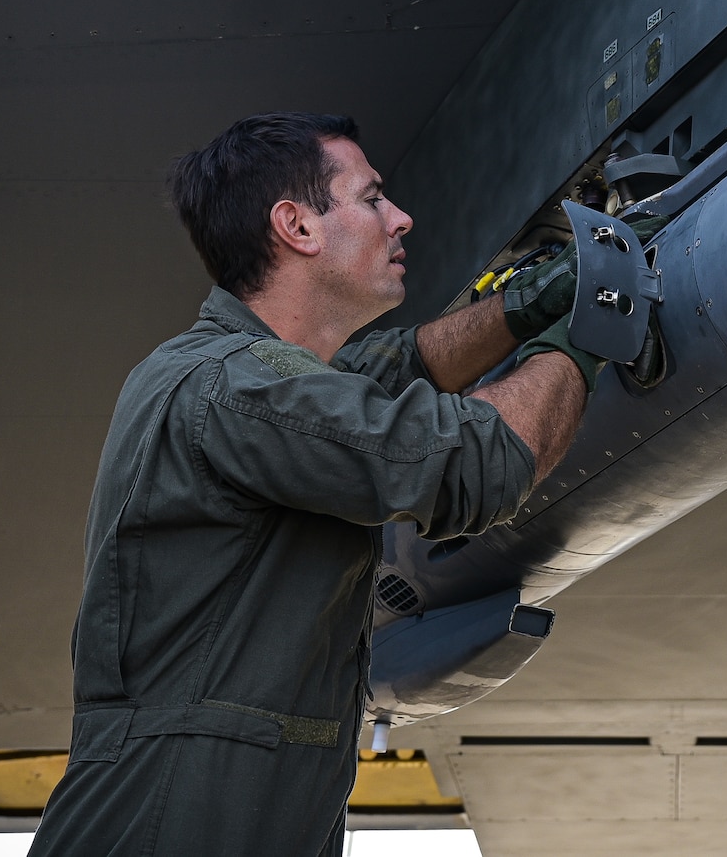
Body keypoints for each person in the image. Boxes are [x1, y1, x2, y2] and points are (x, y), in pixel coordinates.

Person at [30, 112, 609, 857]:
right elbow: (476, 461)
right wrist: (588, 330)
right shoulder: (236, 388)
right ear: (297, 226)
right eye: (372, 198)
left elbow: (390, 370)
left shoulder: (228, 372)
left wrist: (528, 305)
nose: (400, 217)